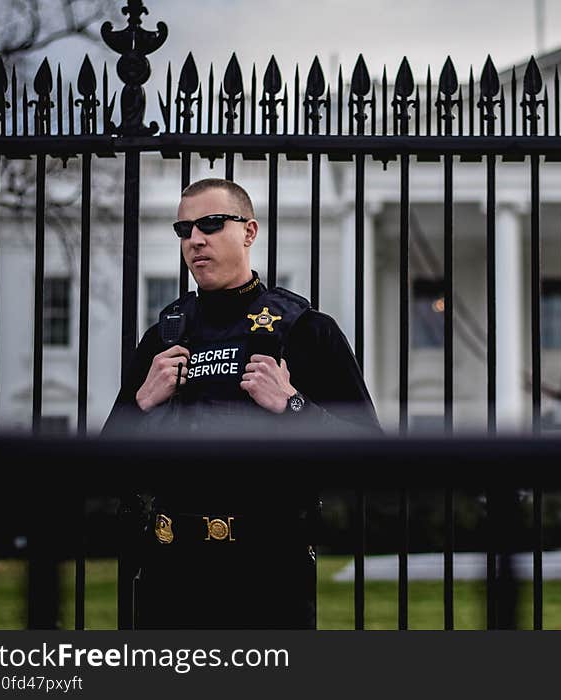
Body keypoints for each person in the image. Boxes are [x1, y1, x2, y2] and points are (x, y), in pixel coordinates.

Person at [101, 177, 380, 629]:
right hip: (170, 574)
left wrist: (293, 407)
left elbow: (371, 457)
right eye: (184, 229)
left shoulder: (307, 332)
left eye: (211, 224)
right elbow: (107, 466)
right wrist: (143, 404)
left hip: (267, 577)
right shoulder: (165, 336)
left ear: (249, 232)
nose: (195, 240)